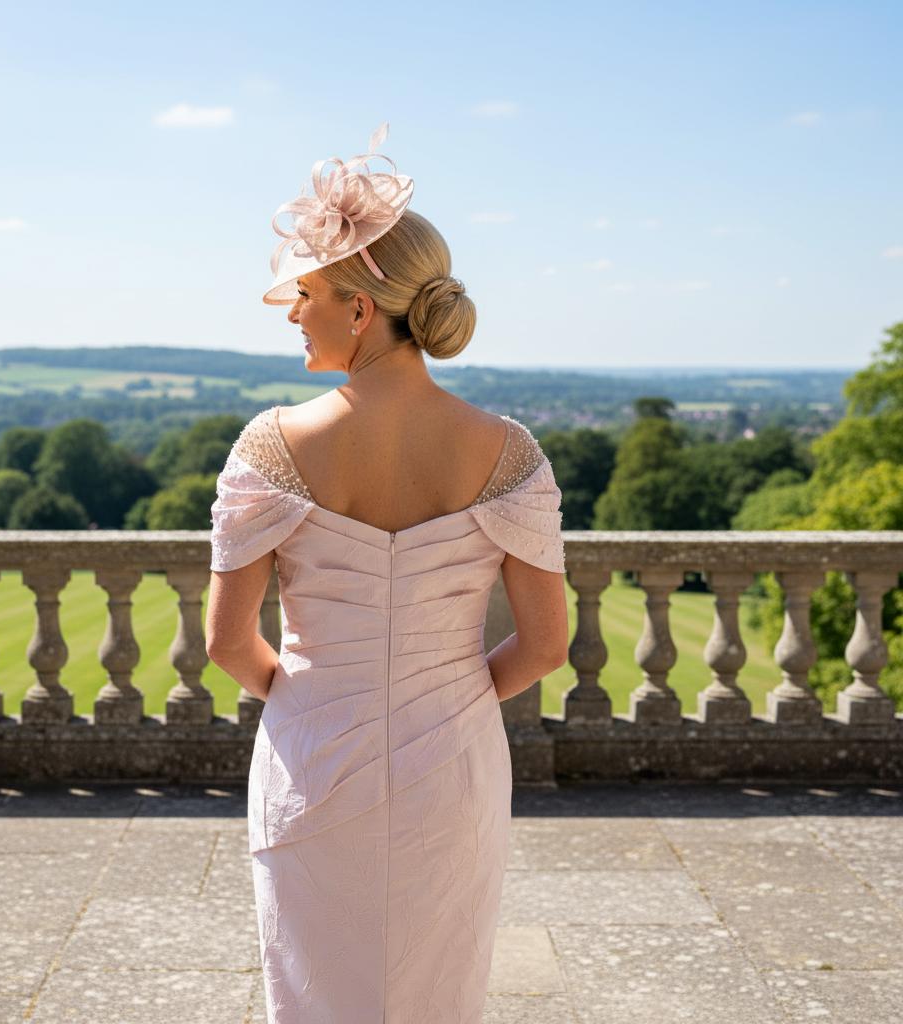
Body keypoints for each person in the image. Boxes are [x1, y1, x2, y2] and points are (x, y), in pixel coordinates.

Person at [205, 122, 569, 1024]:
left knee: (317, 991)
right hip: (455, 757)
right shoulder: (509, 451)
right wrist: (448, 691)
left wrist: (305, 697)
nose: (293, 312)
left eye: (310, 294)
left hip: (313, 755)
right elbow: (548, 644)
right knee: (438, 989)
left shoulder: (272, 444)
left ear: (362, 309)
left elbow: (224, 642)